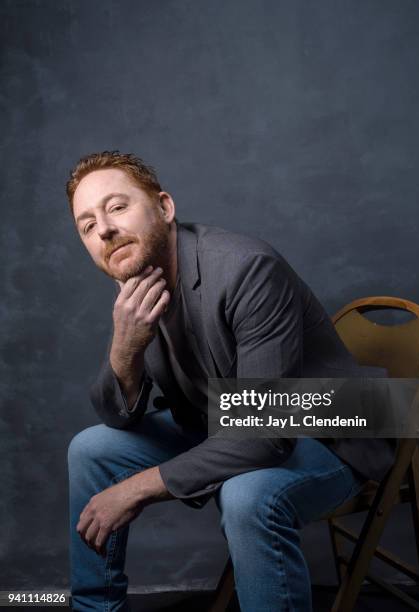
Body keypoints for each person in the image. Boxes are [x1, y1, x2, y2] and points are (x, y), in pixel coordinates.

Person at [67, 151, 395, 611]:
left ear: (164, 207)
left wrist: (135, 488)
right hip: (219, 421)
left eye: (118, 207)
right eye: (86, 224)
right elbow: (116, 417)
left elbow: (265, 436)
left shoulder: (246, 267)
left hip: (325, 428)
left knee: (245, 495)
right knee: (90, 448)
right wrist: (126, 346)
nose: (103, 228)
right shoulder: (136, 283)